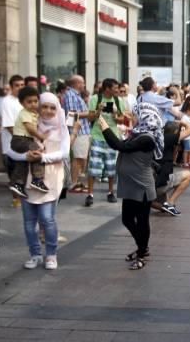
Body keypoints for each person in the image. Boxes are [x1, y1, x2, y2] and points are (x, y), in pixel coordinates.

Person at [98, 102, 162, 270]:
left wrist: (105, 128)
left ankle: (142, 253)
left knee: (141, 221)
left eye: (135, 115)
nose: (132, 118)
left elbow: (121, 146)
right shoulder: (138, 133)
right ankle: (142, 247)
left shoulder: (147, 138)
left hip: (141, 187)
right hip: (130, 185)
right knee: (127, 219)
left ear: (144, 117)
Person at [9, 93, 70, 270]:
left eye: (52, 107)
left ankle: (51, 254)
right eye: (44, 106)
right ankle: (35, 254)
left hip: (50, 177)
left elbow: (64, 152)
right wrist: (25, 156)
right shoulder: (29, 123)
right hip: (28, 176)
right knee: (29, 220)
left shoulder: (61, 126)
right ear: (38, 107)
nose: (49, 111)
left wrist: (43, 157)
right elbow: (10, 150)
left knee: (47, 218)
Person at [84, 78, 125, 206]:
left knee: (111, 165)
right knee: (93, 165)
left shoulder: (118, 101)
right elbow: (89, 118)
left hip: (112, 137)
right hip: (97, 136)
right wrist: (98, 111)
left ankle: (110, 192)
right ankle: (90, 194)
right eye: (115, 88)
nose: (117, 90)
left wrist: (115, 115)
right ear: (107, 88)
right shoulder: (95, 99)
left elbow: (122, 119)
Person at [8, 86, 49, 198]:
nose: (33, 104)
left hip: (21, 141)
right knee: (38, 152)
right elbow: (30, 128)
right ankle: (37, 179)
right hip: (21, 140)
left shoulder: (33, 113)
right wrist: (41, 136)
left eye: (35, 101)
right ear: (22, 103)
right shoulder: (25, 113)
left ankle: (17, 183)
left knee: (23, 162)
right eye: (29, 102)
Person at [151, 120, 190, 216]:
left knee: (156, 204)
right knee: (188, 174)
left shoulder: (159, 138)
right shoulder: (168, 138)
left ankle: (162, 206)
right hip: (160, 182)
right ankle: (170, 203)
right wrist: (182, 122)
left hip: (153, 182)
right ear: (175, 132)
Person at [62, 75, 91, 193]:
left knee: (81, 159)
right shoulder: (70, 95)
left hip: (83, 130)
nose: (84, 85)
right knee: (78, 158)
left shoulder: (76, 95)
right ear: (76, 84)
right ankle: (73, 183)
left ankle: (76, 181)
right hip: (78, 131)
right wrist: (89, 114)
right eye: (82, 83)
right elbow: (71, 114)